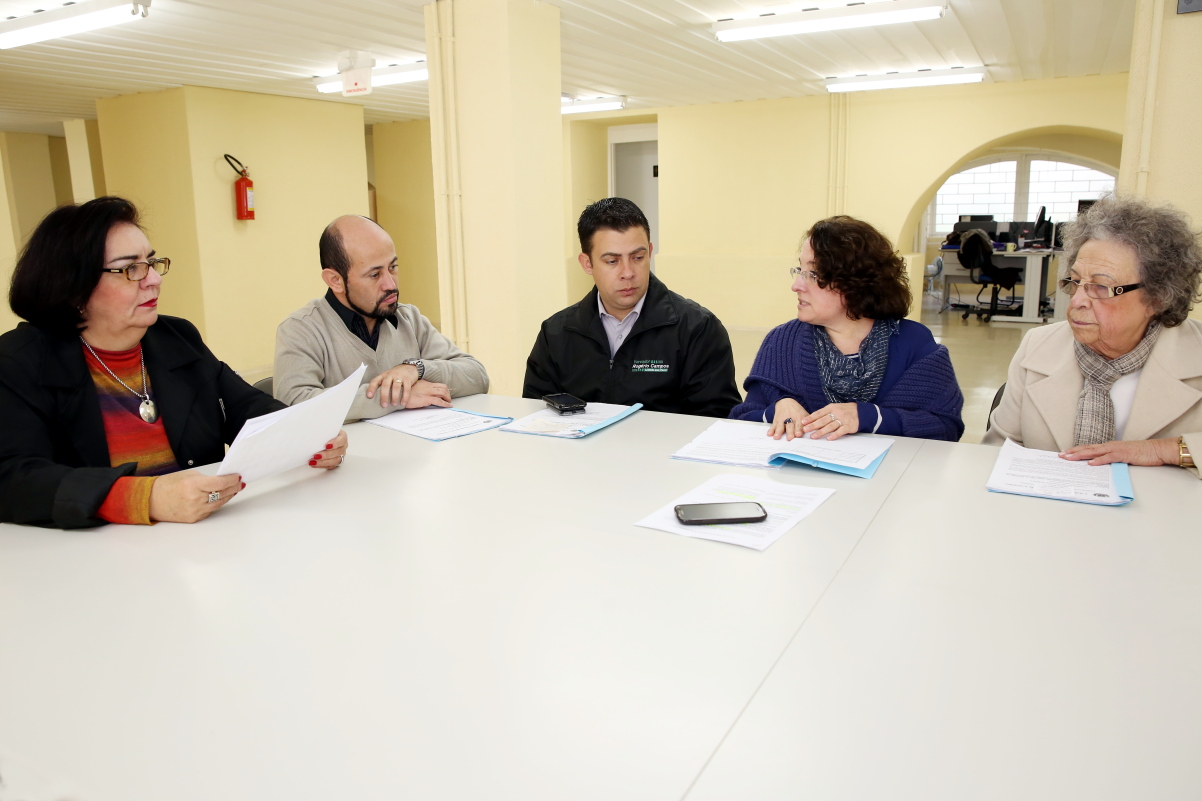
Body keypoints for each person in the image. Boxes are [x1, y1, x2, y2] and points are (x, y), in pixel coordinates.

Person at [0, 197, 348, 529]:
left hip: (201, 544)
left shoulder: (175, 337)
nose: (153, 279)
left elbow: (248, 406)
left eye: (151, 263)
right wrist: (144, 498)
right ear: (73, 287)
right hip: (86, 564)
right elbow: (14, 478)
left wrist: (308, 435)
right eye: (130, 269)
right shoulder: (20, 361)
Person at [983, 195, 1201, 476]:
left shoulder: (1195, 353)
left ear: (1158, 298)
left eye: (1101, 287)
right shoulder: (1038, 346)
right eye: (1075, 282)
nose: (1076, 302)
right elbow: (996, 452)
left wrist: (1165, 450)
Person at [730, 215, 964, 441]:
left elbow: (945, 428)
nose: (796, 285)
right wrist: (776, 410)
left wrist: (868, 417)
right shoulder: (782, 341)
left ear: (857, 282)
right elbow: (740, 419)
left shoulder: (913, 343)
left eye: (813, 274)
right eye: (799, 270)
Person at [523, 198, 741, 417]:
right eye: (612, 261)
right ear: (587, 263)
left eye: (638, 257)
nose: (628, 272)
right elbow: (537, 414)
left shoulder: (697, 329)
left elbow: (716, 419)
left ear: (650, 251)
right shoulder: (556, 333)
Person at [275, 215, 488, 421]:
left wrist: (416, 369)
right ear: (335, 280)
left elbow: (477, 376)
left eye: (393, 268)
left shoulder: (408, 318)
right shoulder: (300, 330)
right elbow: (294, 404)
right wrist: (399, 396)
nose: (391, 285)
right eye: (375, 274)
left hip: (415, 451)